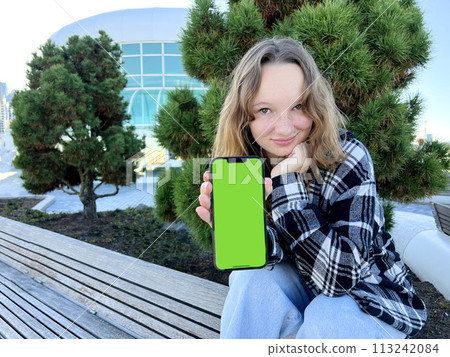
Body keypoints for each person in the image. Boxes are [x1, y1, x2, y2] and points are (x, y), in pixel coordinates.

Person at [195, 37, 426, 339]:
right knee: (250, 279)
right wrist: (241, 233)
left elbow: (340, 278)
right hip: (306, 288)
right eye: (265, 110)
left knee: (326, 314)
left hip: (372, 298)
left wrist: (285, 184)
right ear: (244, 117)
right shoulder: (248, 166)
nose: (284, 128)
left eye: (298, 106)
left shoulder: (348, 156)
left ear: (316, 105)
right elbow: (281, 256)